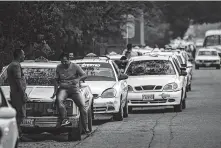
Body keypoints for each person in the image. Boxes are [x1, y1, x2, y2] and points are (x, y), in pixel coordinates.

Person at [51, 52, 90, 133]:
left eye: (65, 61)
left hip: (74, 89)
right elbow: (55, 79)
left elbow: (85, 75)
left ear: (69, 60)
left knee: (82, 106)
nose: (64, 63)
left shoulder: (75, 66)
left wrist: (78, 79)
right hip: (63, 88)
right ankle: (65, 119)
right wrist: (55, 91)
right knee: (59, 100)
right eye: (62, 62)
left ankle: (85, 126)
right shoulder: (58, 67)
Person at [7, 49, 28, 139]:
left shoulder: (13, 64)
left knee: (18, 114)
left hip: (15, 93)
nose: (24, 56)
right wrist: (23, 94)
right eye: (23, 54)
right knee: (20, 114)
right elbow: (18, 81)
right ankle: (15, 134)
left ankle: (18, 134)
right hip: (18, 94)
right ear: (19, 55)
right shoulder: (15, 65)